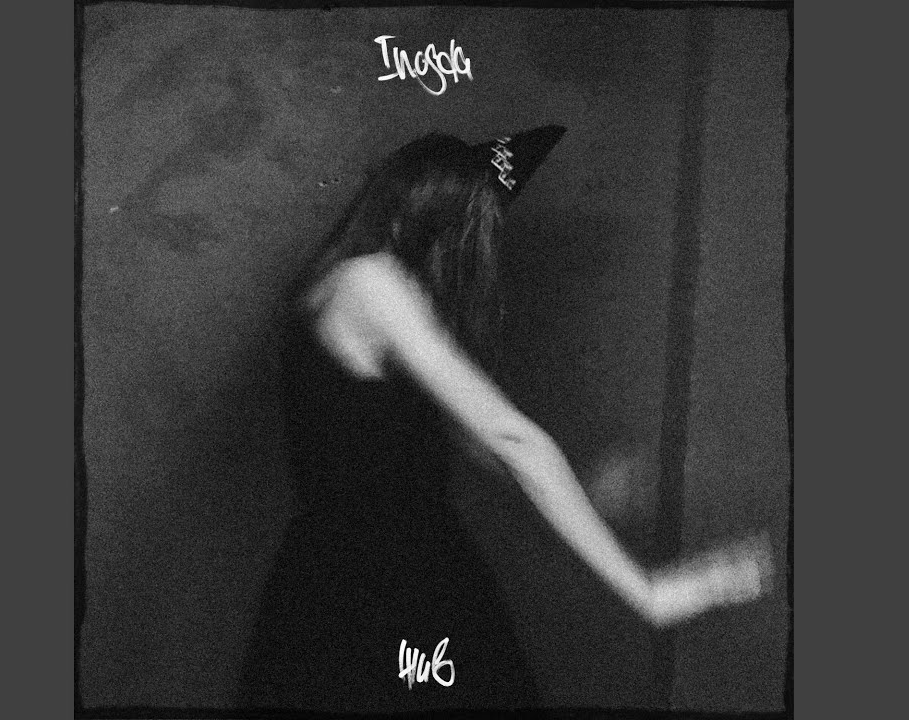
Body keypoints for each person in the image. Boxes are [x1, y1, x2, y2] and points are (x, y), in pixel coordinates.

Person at [233, 126, 773, 713]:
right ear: (447, 226)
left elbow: (471, 445)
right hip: (385, 585)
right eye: (481, 233)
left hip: (344, 579)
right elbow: (511, 439)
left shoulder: (346, 283)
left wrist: (585, 492)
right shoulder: (372, 282)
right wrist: (651, 592)